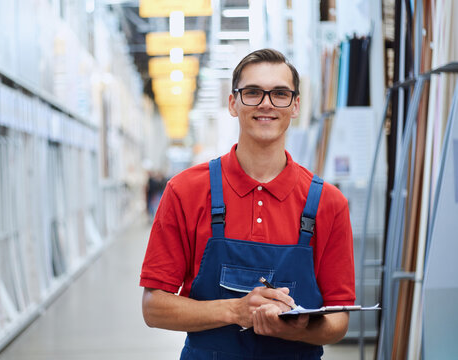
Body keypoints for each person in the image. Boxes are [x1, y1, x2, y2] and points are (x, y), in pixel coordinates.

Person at [139, 48, 355, 359]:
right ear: (232, 103)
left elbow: (338, 319)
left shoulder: (328, 203)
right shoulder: (185, 191)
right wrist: (237, 310)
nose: (266, 103)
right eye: (253, 92)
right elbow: (154, 308)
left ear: (295, 105)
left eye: (280, 93)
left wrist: (291, 328)